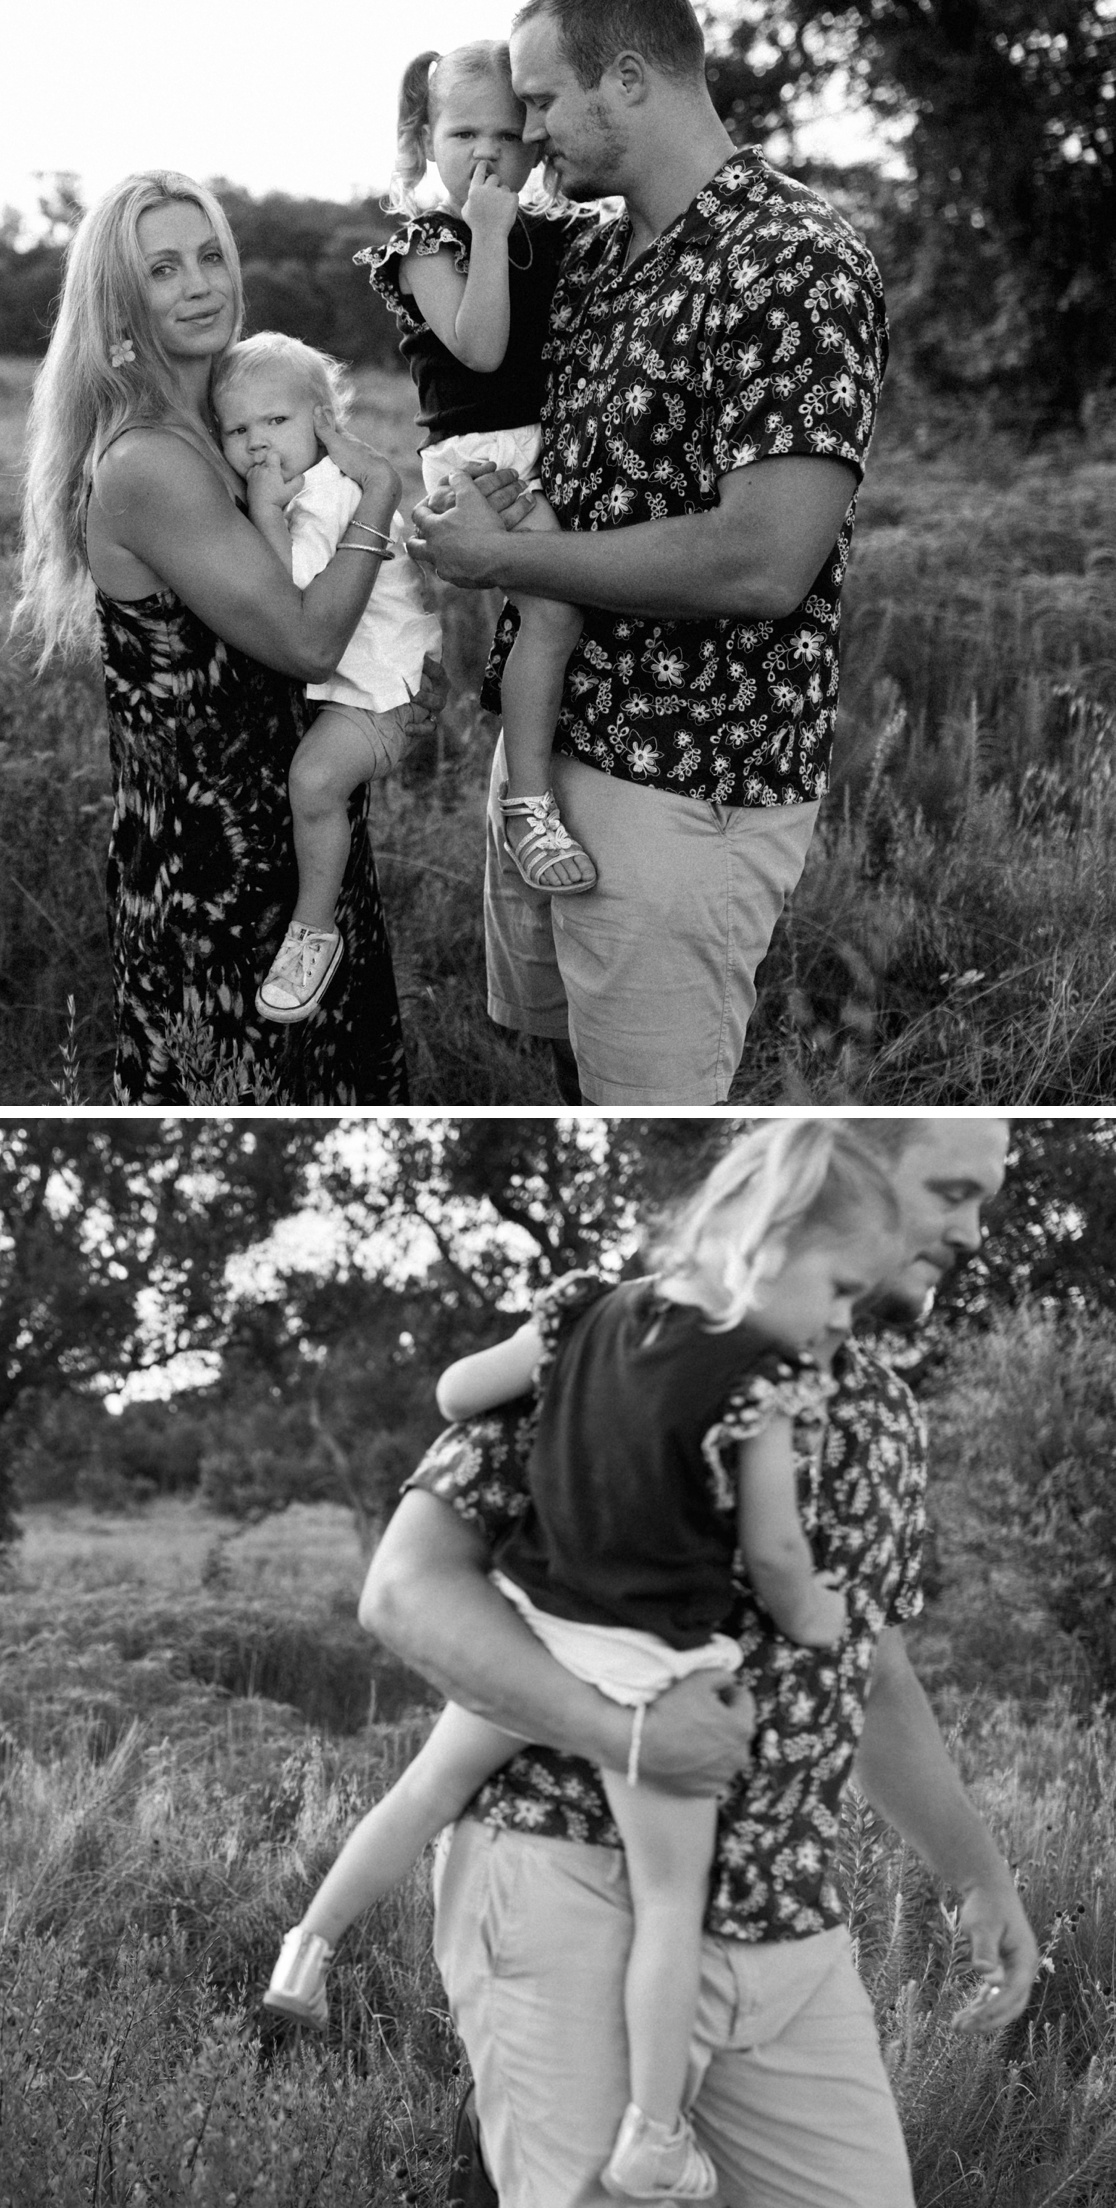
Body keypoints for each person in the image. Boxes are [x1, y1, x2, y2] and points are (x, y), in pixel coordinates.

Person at [359, 1118, 1038, 2208]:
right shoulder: (621, 1340)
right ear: (826, 1178)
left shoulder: (884, 1410)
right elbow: (407, 1590)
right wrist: (623, 1732)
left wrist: (977, 1872)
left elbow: (872, 1673)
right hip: (572, 1876)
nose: (972, 1229)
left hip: (786, 1915)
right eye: (952, 1191)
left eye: (987, 1198)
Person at [266, 1124, 898, 2202]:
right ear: (770, 1241)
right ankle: (654, 2134)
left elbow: (460, 1394)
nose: (843, 1322)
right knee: (670, 1904)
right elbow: (777, 1561)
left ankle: (308, 1945)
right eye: (841, 1289)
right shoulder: (759, 1388)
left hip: (536, 1621)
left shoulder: (581, 1310)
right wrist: (830, 1615)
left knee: (424, 1787)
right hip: (649, 1665)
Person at [410, 0, 890, 1106]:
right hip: (547, 753)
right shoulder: (588, 249)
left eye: (539, 104)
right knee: (554, 1072)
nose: (525, 136)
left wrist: (504, 564)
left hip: (684, 787)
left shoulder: (793, 260)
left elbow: (762, 563)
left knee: (647, 1115)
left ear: (627, 80)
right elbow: (446, 304)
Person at [18, 170, 436, 1104]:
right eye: (163, 269)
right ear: (121, 299)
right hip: (213, 875)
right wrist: (378, 498)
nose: (199, 283)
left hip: (296, 831)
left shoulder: (238, 423)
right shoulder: (152, 461)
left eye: (210, 256)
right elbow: (307, 643)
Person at [356, 42, 592, 895]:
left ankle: (537, 784)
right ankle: (526, 799)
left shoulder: (552, 232)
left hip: (542, 448)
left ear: (534, 141)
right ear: (426, 141)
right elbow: (482, 348)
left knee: (560, 618)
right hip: (475, 461)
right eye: (463, 134)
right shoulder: (425, 245)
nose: (486, 154)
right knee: (555, 613)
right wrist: (490, 231)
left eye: (505, 132)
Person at [212, 334, 442, 1024]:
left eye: (276, 421)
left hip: (380, 695)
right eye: (237, 428)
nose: (257, 443)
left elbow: (296, 606)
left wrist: (261, 513)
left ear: (323, 421)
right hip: (364, 684)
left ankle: (315, 931)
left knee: (313, 782)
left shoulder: (327, 499)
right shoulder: (304, 488)